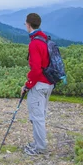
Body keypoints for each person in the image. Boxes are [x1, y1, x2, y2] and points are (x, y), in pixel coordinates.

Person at [21, 13, 54, 156]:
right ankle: (38, 143)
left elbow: (36, 69)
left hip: (39, 85)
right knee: (41, 114)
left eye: (25, 23)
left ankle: (40, 147)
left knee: (37, 117)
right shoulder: (44, 38)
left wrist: (27, 85)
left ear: (28, 24)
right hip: (49, 83)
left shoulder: (34, 43)